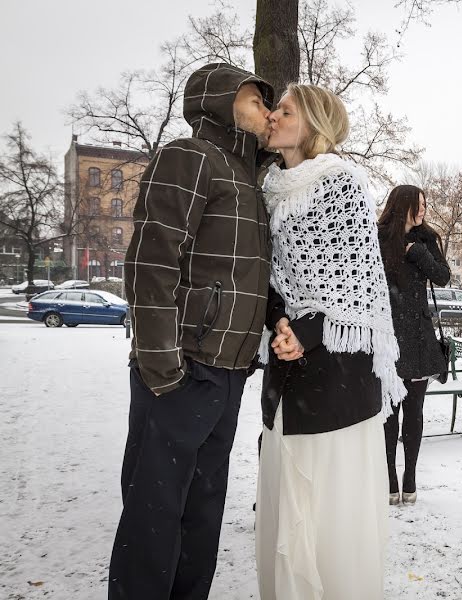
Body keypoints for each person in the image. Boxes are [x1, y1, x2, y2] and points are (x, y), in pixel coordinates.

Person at [110, 63, 274, 600]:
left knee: (203, 509)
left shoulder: (250, 179)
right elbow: (152, 262)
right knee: (154, 511)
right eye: (254, 101)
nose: (265, 112)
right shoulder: (189, 156)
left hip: (227, 371)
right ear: (221, 102)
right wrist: (161, 365)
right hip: (182, 366)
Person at [254, 83, 405, 600]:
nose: (273, 116)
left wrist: (308, 333)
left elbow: (356, 283)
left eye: (285, 110)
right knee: (286, 510)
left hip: (335, 378)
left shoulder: (341, 183)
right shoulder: (268, 188)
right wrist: (279, 322)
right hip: (286, 370)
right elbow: (270, 276)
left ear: (313, 125)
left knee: (329, 516)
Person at [377, 185, 451, 505]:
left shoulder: (427, 239)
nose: (422, 210)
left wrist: (418, 253)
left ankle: (410, 477)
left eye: (425, 205)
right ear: (402, 205)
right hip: (388, 336)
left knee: (414, 410)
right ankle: (389, 478)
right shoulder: (378, 237)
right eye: (417, 205)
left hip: (419, 336)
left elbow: (443, 276)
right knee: (390, 413)